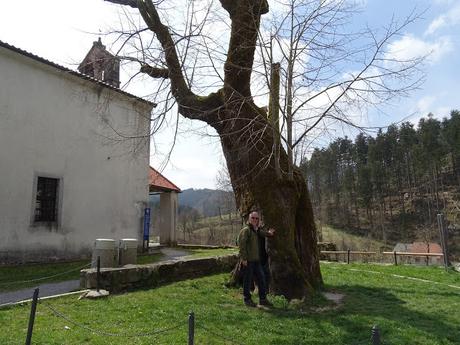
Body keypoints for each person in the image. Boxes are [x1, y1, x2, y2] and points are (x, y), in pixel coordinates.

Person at [237, 211, 275, 307]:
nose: (255, 220)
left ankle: (262, 300)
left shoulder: (256, 230)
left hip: (256, 261)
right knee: (247, 280)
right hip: (248, 261)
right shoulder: (246, 230)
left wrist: (269, 233)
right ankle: (247, 300)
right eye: (253, 218)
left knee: (262, 279)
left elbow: (262, 233)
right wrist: (244, 258)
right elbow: (241, 245)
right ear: (249, 219)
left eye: (256, 218)